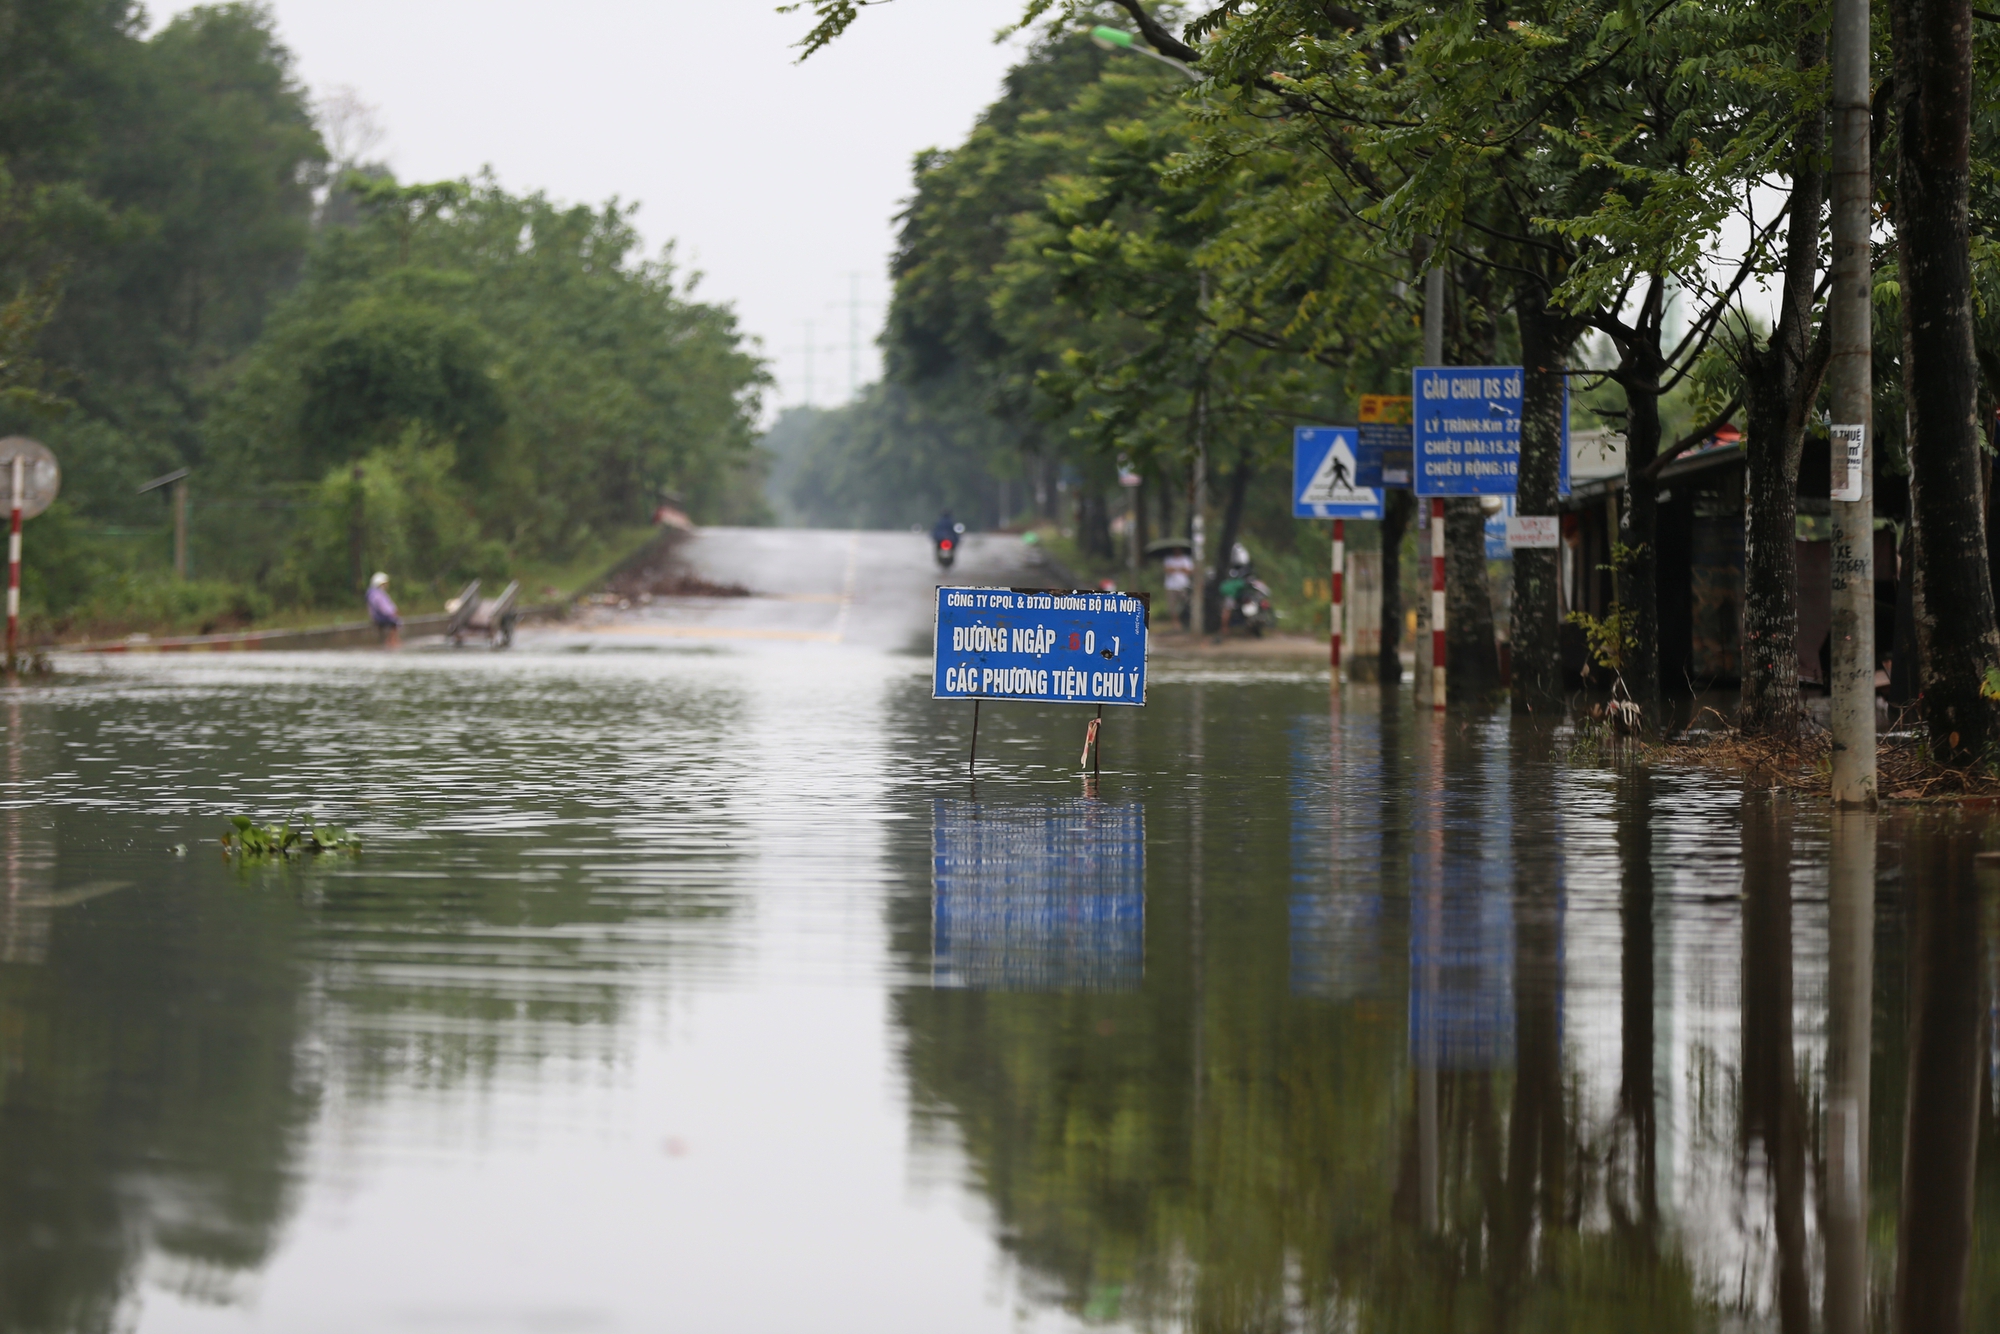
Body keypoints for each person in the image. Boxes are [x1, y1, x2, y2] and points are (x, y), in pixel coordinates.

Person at [366, 571, 402, 648]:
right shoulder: (376, 594)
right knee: (394, 623)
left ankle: (392, 640)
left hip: (380, 616)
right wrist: (392, 612)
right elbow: (382, 606)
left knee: (394, 621)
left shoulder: (376, 593)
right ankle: (392, 641)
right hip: (380, 617)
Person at [1162, 547, 1194, 628]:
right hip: (1171, 586)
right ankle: (1175, 622)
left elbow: (1189, 571)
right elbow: (1167, 570)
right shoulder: (1168, 559)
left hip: (1183, 585)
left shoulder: (1186, 559)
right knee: (1172, 606)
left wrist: (1176, 569)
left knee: (1185, 603)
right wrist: (1180, 569)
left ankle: (1185, 620)